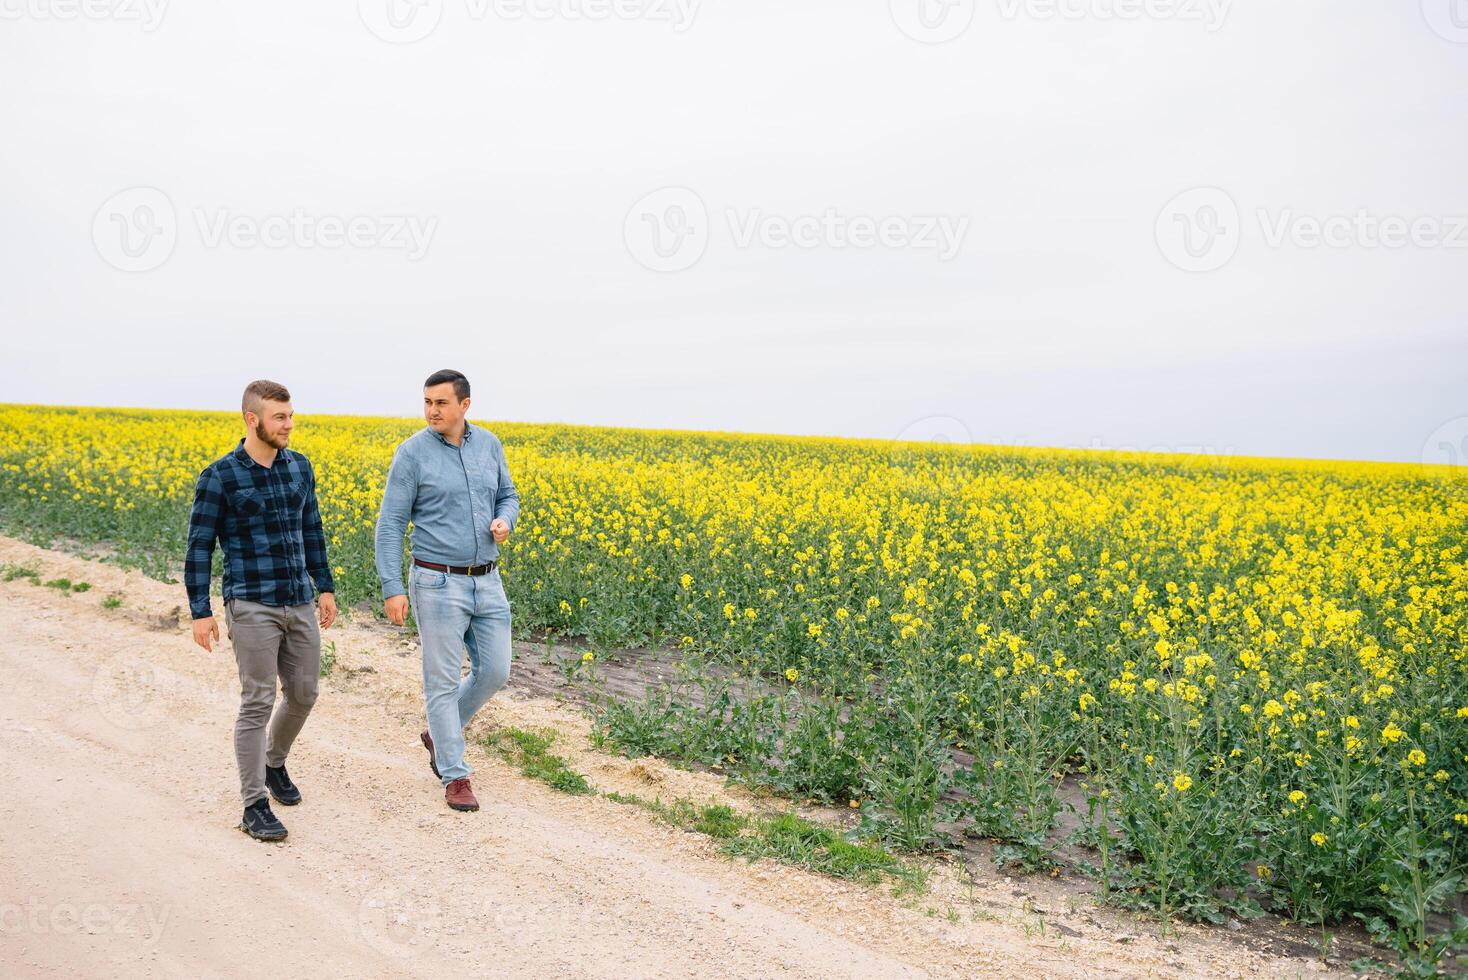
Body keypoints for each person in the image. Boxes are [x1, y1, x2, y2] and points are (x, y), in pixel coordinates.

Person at [185, 380, 336, 841]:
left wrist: (324, 586)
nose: (289, 425)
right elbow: (199, 546)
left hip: (298, 598)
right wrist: (200, 610)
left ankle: (274, 763)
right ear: (253, 420)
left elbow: (311, 527)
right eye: (280, 418)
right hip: (251, 602)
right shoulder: (221, 476)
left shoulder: (299, 468)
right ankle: (254, 804)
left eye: (290, 416)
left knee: (305, 692)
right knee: (258, 699)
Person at [374, 369, 519, 812]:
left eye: (440, 403)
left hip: (487, 579)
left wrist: (504, 520)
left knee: (496, 671)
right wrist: (392, 587)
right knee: (441, 682)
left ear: (464, 406)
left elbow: (508, 495)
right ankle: (456, 776)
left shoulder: (489, 445)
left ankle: (440, 733)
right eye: (427, 402)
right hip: (436, 581)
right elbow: (391, 524)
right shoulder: (412, 454)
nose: (432, 411)